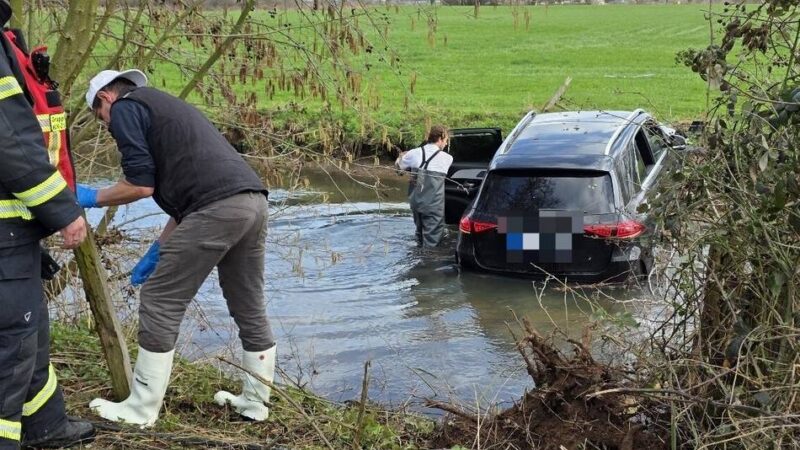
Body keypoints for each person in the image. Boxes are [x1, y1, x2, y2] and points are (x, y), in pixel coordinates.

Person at [79, 69, 276, 426]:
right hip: (252, 202)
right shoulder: (164, 110)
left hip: (217, 208)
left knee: (159, 299)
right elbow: (194, 199)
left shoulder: (124, 108)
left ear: (105, 98)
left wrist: (93, 196)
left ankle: (140, 410)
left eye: (100, 119)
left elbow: (140, 185)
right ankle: (255, 403)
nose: (107, 128)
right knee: (248, 303)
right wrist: (157, 249)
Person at [0, 2, 95, 448]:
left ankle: (45, 427)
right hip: (5, 232)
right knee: (12, 345)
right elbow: (12, 141)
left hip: (15, 234)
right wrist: (62, 209)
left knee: (29, 332)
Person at [396, 125, 453, 248]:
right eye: (446, 140)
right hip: (433, 205)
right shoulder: (448, 158)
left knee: (419, 233)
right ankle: (427, 265)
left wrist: (403, 156)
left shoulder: (414, 153)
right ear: (441, 138)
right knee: (432, 241)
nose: (446, 143)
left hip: (416, 202)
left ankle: (417, 256)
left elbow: (398, 168)